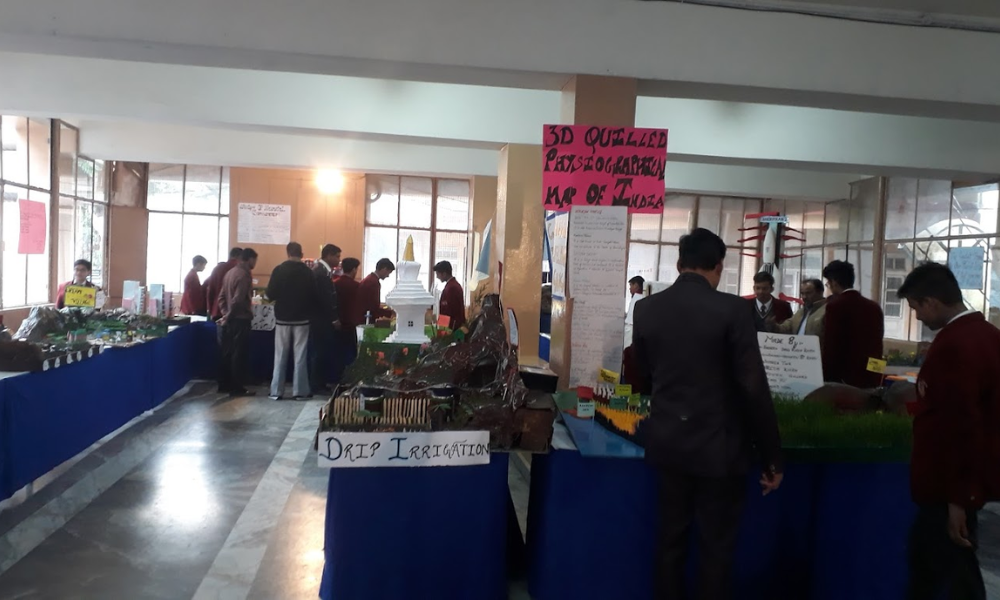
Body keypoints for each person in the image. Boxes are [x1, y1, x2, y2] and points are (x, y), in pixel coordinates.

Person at [631, 228, 783, 600]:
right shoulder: (733, 310)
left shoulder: (646, 308)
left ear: (678, 264)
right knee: (716, 548)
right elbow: (753, 386)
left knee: (670, 541)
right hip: (720, 449)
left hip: (668, 443)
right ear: (718, 267)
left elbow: (642, 372)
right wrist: (772, 457)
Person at [896, 263, 1000, 600]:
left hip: (946, 486)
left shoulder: (955, 344)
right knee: (952, 569)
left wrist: (958, 499)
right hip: (960, 484)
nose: (918, 317)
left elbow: (961, 425)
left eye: (916, 308)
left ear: (931, 302)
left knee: (942, 571)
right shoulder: (987, 334)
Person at [821, 260, 884, 388]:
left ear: (834, 282)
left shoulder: (835, 306)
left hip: (845, 378)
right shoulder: (874, 307)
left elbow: (832, 344)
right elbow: (878, 343)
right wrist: (876, 376)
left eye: (828, 284)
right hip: (873, 375)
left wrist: (825, 376)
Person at [266, 242, 316, 400]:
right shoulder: (308, 272)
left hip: (282, 318)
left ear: (288, 253)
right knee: (300, 355)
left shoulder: (279, 270)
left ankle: (276, 391)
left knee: (280, 355)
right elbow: (314, 295)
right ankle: (300, 391)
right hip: (302, 319)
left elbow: (270, 294)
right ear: (301, 253)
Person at [218, 248, 257, 397]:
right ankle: (237, 387)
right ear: (250, 259)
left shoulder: (230, 273)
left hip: (230, 320)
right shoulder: (244, 275)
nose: (255, 264)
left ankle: (225, 384)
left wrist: (225, 314)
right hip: (240, 320)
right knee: (239, 355)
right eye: (255, 260)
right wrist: (228, 315)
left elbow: (221, 297)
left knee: (228, 353)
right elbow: (238, 300)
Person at [309, 244, 341, 393]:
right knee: (319, 352)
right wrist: (334, 318)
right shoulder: (321, 273)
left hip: (321, 318)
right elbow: (325, 298)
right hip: (320, 319)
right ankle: (316, 384)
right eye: (337, 256)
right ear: (328, 255)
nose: (338, 260)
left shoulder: (324, 271)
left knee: (322, 351)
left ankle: (320, 382)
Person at [333, 258, 362, 383]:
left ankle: (336, 379)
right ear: (354, 269)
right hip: (351, 323)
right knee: (350, 353)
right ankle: (349, 379)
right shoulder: (356, 286)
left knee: (337, 352)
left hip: (337, 323)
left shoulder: (335, 283)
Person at [205, 247, 243, 321]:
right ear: (240, 257)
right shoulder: (240, 270)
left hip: (217, 310)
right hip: (235, 313)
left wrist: (210, 309)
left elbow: (210, 291)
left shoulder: (217, 269)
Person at [358, 258, 395, 324]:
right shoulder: (373, 282)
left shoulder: (370, 279)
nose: (388, 276)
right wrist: (390, 313)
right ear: (384, 269)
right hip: (366, 318)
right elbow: (373, 307)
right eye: (388, 273)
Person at [434, 260, 466, 329]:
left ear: (444, 274)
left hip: (452, 326)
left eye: (438, 274)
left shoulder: (452, 288)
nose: (437, 277)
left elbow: (447, 310)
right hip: (453, 324)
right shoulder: (453, 285)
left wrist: (442, 328)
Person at [625, 275, 645, 347]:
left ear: (636, 285)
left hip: (631, 328)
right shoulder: (637, 297)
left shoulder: (639, 298)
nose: (630, 288)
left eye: (631, 285)